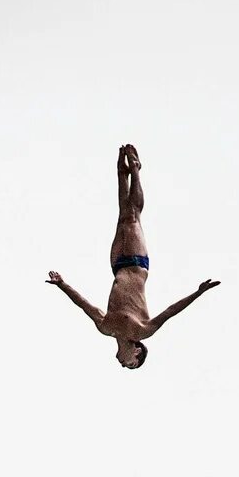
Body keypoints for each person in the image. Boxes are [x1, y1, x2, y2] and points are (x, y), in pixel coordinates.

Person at [46, 144, 220, 368]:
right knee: (132, 217)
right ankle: (135, 170)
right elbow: (170, 311)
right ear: (136, 353)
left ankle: (121, 172)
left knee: (122, 216)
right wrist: (198, 293)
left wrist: (62, 284)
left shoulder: (105, 327)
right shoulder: (142, 330)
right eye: (130, 365)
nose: (123, 364)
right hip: (138, 264)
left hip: (118, 264)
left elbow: (83, 304)